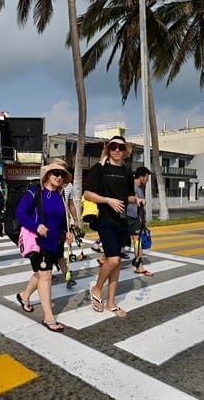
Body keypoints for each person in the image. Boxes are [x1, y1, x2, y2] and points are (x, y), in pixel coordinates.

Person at [84, 136, 144, 317]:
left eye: (121, 147)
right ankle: (96, 288)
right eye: (113, 147)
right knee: (113, 260)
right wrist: (108, 200)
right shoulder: (99, 169)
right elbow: (87, 194)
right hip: (104, 218)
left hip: (121, 220)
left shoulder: (126, 171)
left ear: (125, 151)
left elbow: (128, 196)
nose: (117, 150)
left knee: (116, 264)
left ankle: (110, 303)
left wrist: (137, 200)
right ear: (108, 149)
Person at [15, 161, 73, 332]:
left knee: (41, 274)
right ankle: (49, 317)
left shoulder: (60, 196)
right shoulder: (36, 191)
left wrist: (67, 232)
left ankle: (24, 296)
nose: (59, 177)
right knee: (46, 275)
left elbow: (62, 220)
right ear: (47, 174)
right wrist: (36, 226)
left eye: (62, 174)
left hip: (54, 241)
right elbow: (21, 213)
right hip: (38, 241)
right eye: (55, 173)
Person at [126, 166, 153, 276]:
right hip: (129, 217)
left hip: (135, 218)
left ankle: (139, 265)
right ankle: (104, 259)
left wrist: (144, 220)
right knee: (134, 242)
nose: (148, 180)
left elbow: (141, 206)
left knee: (137, 241)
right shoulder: (132, 187)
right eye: (147, 177)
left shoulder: (140, 187)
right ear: (141, 177)